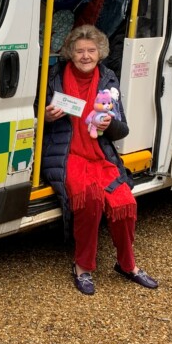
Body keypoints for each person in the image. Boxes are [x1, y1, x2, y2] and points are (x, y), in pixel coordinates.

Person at [41, 25, 158, 295]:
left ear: (100, 53)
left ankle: (127, 265)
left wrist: (109, 124)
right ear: (70, 53)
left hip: (100, 155)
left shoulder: (108, 78)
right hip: (65, 153)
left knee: (125, 202)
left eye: (91, 50)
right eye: (79, 51)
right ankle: (82, 266)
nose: (85, 56)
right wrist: (46, 117)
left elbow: (122, 129)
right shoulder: (54, 75)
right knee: (89, 199)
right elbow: (32, 116)